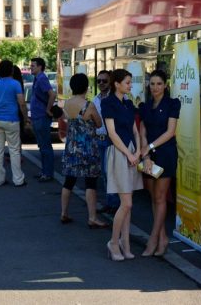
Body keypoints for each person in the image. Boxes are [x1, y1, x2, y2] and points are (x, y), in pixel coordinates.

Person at [101, 69, 143, 261]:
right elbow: (112, 133)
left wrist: (138, 151)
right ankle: (113, 242)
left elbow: (135, 130)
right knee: (126, 203)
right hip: (119, 153)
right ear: (117, 84)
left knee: (127, 205)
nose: (130, 85)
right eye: (127, 82)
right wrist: (129, 154)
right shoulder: (108, 103)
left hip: (130, 151)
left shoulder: (128, 103)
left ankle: (125, 245)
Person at [139, 69, 181, 257]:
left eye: (159, 84)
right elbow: (142, 132)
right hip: (149, 156)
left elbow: (170, 132)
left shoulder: (172, 104)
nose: (155, 87)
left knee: (160, 197)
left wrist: (149, 147)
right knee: (153, 197)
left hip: (165, 154)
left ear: (165, 85)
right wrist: (146, 155)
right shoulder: (145, 106)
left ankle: (153, 239)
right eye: (152, 84)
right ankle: (162, 238)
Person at [61, 73, 108, 228]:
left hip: (71, 148)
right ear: (86, 87)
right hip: (88, 148)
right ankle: (92, 217)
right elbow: (99, 124)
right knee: (90, 183)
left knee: (69, 181)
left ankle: (64, 213)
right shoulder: (89, 105)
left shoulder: (67, 103)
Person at [0, 60, 29, 187]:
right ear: (11, 70)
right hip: (12, 120)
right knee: (14, 150)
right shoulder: (15, 83)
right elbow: (22, 103)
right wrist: (26, 118)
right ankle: (18, 179)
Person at [93, 70, 120, 214]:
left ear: (111, 82)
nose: (101, 83)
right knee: (104, 173)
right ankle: (110, 203)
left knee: (111, 172)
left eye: (104, 81)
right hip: (100, 140)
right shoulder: (95, 100)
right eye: (99, 81)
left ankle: (116, 204)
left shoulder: (116, 97)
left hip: (112, 140)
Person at [30, 57, 56, 182]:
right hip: (37, 116)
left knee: (45, 146)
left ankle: (48, 173)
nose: (30, 67)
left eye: (33, 65)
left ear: (40, 67)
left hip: (41, 117)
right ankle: (44, 171)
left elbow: (52, 94)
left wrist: (48, 109)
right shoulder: (37, 78)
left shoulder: (41, 78)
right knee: (42, 146)